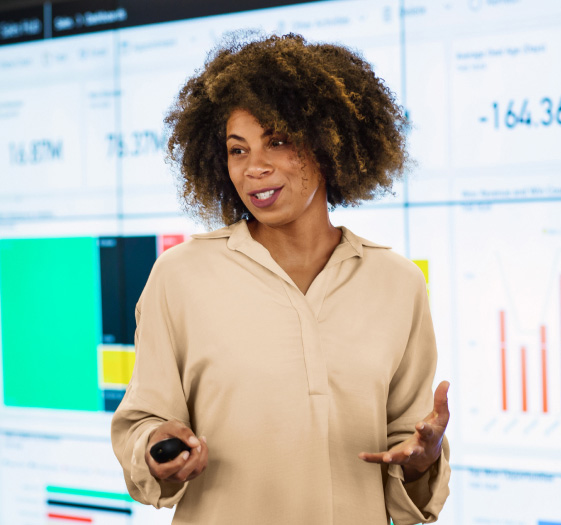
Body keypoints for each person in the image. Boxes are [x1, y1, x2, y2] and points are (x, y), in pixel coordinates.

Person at [111, 32, 451, 524]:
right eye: (237, 149)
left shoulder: (397, 283)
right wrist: (160, 449)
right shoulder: (180, 276)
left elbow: (410, 451)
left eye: (279, 141)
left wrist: (423, 459)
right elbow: (141, 426)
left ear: (328, 144)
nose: (255, 168)